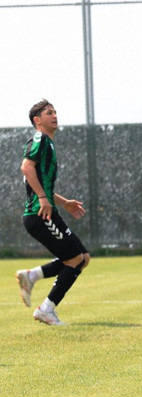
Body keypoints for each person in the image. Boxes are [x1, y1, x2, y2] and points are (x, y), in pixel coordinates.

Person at [15, 99, 90, 326]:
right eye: (49, 113)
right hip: (39, 215)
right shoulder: (39, 139)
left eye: (55, 112)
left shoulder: (48, 143)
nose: (54, 116)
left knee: (83, 257)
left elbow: (40, 182)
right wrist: (42, 198)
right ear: (37, 120)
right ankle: (46, 310)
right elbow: (26, 168)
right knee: (74, 259)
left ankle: (31, 276)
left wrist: (64, 202)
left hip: (47, 211)